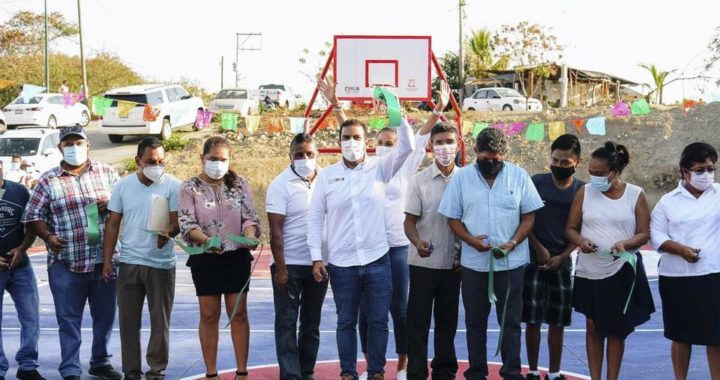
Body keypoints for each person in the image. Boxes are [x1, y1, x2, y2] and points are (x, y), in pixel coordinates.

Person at [318, 79, 450, 380]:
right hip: (366, 246)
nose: (384, 146)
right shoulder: (372, 165)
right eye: (380, 142)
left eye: (390, 143)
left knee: (398, 309)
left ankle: (402, 362)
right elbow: (350, 134)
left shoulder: (402, 163)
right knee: (365, 313)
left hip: (397, 245)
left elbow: (418, 135)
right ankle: (369, 365)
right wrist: (337, 106)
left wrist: (439, 108)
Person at [307, 110, 416, 380]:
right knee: (346, 322)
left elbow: (409, 146)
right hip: (342, 264)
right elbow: (314, 217)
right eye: (346, 137)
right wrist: (316, 257)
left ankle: (377, 372)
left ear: (366, 141)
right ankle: (348, 373)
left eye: (357, 137)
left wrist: (398, 114)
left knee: (379, 321)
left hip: (378, 259)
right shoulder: (327, 176)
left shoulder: (381, 166)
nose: (351, 142)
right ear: (339, 140)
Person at [438, 127, 544, 380]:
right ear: (476, 152)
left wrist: (514, 242)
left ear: (504, 154)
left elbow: (529, 217)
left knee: (510, 322)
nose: (491, 163)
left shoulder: (519, 176)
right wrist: (471, 241)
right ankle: (476, 373)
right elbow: (452, 218)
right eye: (486, 158)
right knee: (475, 323)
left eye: (496, 158)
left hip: (511, 263)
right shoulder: (461, 178)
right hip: (474, 264)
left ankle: (511, 372)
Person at [22, 126, 121, 380]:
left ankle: (100, 360)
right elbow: (33, 215)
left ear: (88, 145)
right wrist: (47, 236)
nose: (74, 148)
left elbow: (124, 206)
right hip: (66, 261)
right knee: (68, 319)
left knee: (105, 316)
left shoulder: (108, 173)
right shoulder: (48, 179)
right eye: (68, 144)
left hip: (104, 260)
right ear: (60, 148)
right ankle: (70, 369)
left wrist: (109, 204)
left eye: (79, 142)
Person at [566, 141, 655, 380]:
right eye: (591, 173)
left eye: (600, 174)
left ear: (615, 172)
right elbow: (571, 229)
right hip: (589, 271)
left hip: (621, 270)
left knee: (617, 330)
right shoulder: (584, 192)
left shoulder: (636, 194)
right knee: (593, 327)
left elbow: (644, 232)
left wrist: (626, 244)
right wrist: (581, 241)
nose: (594, 178)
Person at [178, 136, 261, 380]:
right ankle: (211, 373)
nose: (217, 164)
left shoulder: (240, 184)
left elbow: (250, 218)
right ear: (201, 159)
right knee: (209, 315)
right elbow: (187, 224)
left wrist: (249, 235)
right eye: (212, 159)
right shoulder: (188, 187)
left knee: (239, 314)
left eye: (222, 159)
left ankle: (242, 372)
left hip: (237, 257)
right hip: (205, 259)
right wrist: (206, 241)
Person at [102, 137, 181, 380]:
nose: (156, 165)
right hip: (129, 263)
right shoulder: (123, 186)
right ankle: (131, 371)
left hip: (161, 265)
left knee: (160, 322)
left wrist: (168, 232)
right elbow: (113, 224)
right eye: (150, 161)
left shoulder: (174, 185)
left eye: (160, 161)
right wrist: (107, 261)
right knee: (128, 322)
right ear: (138, 161)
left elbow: (178, 220)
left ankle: (156, 371)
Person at [650, 142, 720, 380]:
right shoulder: (667, 201)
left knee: (717, 336)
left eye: (711, 169)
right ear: (684, 171)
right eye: (699, 170)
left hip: (713, 274)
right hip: (676, 277)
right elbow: (656, 235)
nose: (706, 175)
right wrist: (680, 249)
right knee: (680, 336)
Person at [266, 133, 328, 380]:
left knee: (311, 324)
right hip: (289, 264)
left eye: (309, 154)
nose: (304, 159)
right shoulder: (280, 185)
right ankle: (291, 375)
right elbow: (276, 232)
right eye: (299, 155)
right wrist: (281, 270)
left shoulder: (328, 179)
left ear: (317, 154)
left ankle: (306, 370)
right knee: (287, 323)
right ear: (290, 156)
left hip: (319, 264)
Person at [522, 134, 584, 380]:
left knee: (558, 321)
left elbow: (581, 229)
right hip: (533, 259)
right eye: (555, 160)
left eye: (565, 162)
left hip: (562, 261)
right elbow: (524, 218)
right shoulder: (536, 183)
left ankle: (556, 372)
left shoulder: (582, 190)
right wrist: (538, 248)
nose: (558, 166)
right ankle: (534, 371)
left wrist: (564, 255)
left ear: (577, 161)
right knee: (533, 319)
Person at [403, 122, 461, 380]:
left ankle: (444, 371)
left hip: (456, 265)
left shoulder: (468, 179)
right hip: (423, 264)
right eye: (439, 143)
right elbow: (409, 222)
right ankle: (416, 372)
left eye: (449, 141)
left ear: (458, 144)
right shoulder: (419, 181)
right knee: (418, 323)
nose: (445, 147)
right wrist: (417, 242)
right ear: (431, 147)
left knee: (447, 323)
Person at [0, 161, 46, 380]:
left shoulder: (18, 191)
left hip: (20, 265)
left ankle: (27, 365)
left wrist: (22, 248)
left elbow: (32, 223)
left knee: (30, 316)